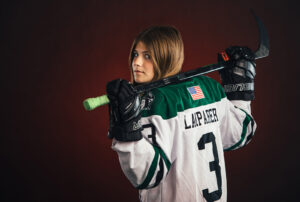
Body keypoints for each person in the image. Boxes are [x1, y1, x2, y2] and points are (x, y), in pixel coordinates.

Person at [106, 26, 257, 202]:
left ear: (167, 56)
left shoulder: (156, 101)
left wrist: (127, 127)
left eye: (147, 56)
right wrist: (240, 88)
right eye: (135, 54)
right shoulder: (209, 88)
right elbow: (242, 132)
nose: (136, 62)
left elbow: (146, 174)